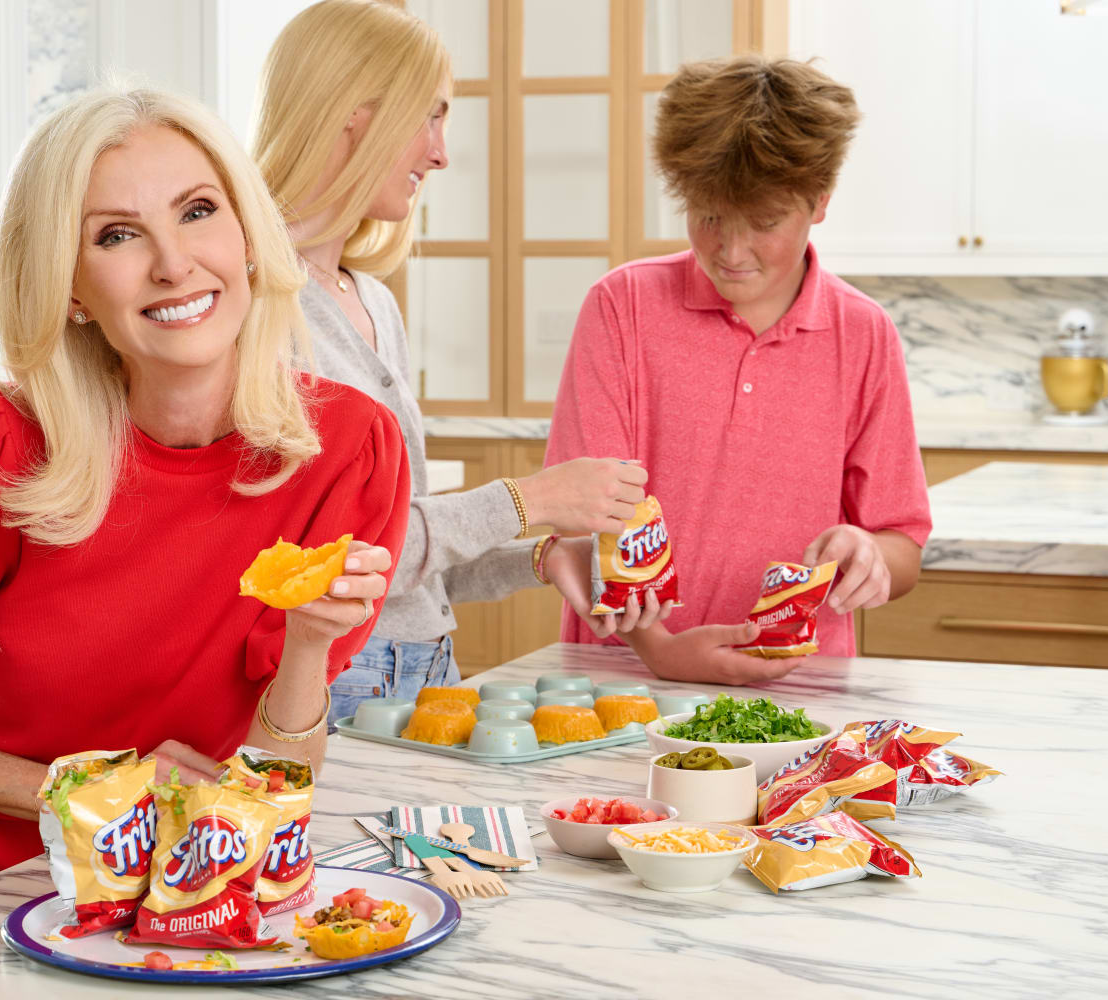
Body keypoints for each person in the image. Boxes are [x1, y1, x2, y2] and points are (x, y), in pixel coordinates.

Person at [0, 87, 410, 935]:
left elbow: (270, 777)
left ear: (247, 237)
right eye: (116, 235)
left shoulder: (346, 450)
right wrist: (80, 795)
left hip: (178, 899)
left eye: (199, 212)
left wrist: (311, 642)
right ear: (68, 286)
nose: (173, 265)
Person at [251, 0, 666, 721]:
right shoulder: (255, 306)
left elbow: (408, 553)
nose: (441, 152)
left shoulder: (372, 300)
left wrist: (535, 558)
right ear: (354, 111)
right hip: (330, 683)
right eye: (430, 116)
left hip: (429, 670)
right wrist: (527, 502)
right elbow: (330, 563)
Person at [546, 56, 932, 685]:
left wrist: (868, 556)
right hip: (626, 683)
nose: (730, 250)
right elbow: (581, 521)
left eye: (765, 222)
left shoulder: (862, 333)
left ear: (820, 202)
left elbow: (902, 545)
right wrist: (661, 651)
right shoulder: (623, 307)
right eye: (709, 215)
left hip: (801, 687)